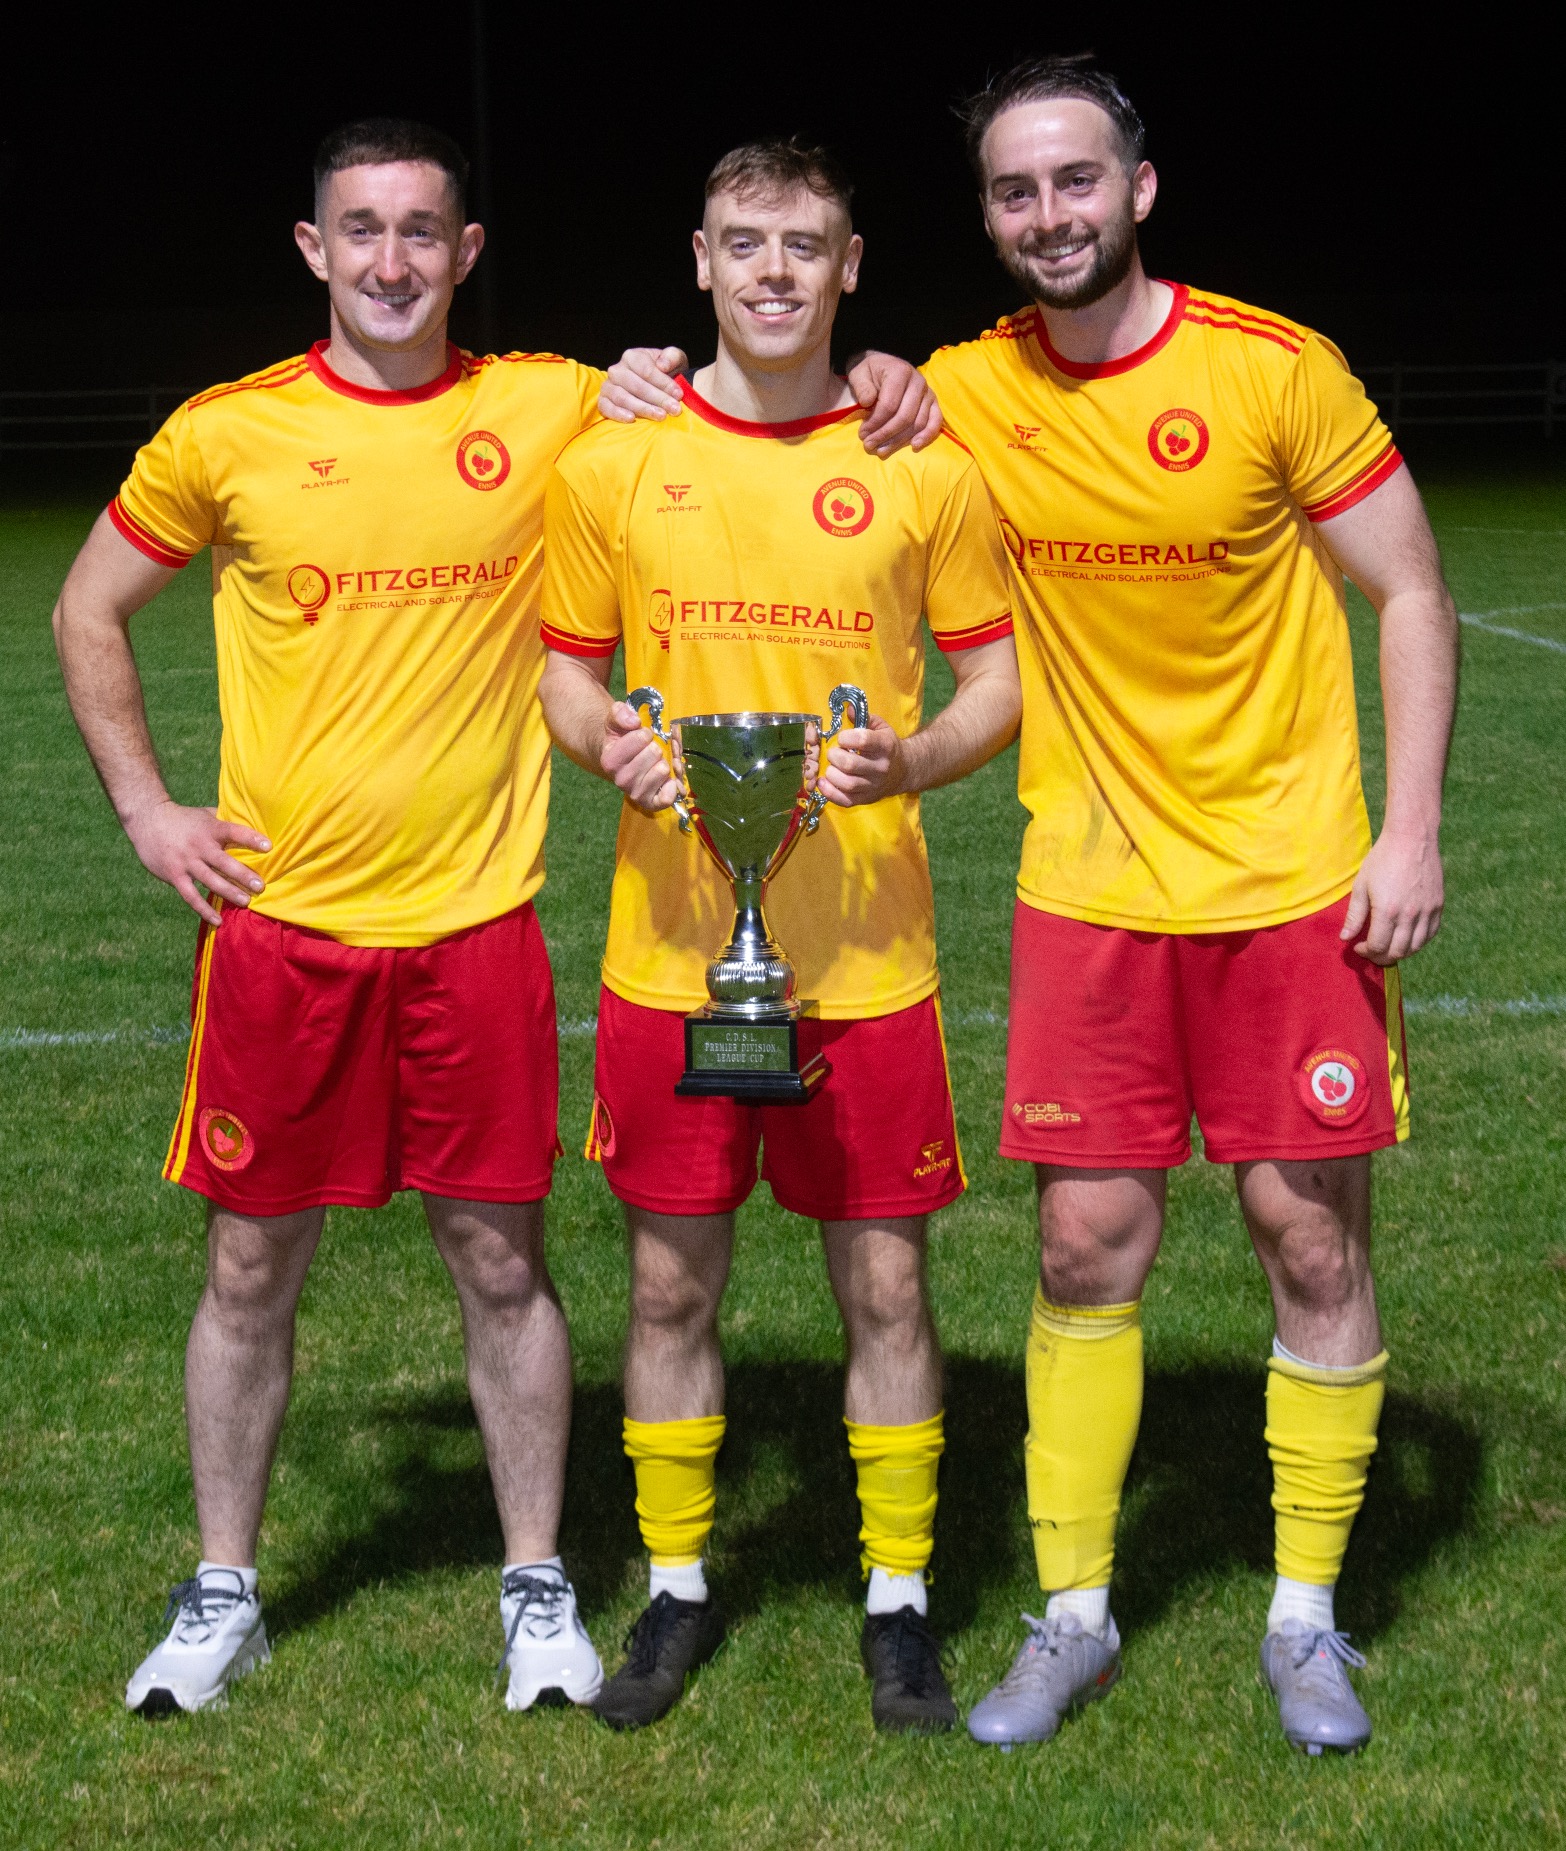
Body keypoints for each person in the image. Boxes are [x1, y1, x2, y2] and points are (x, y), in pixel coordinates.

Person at [603, 56, 1460, 1756]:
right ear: (987, 216)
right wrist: (645, 373)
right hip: (1087, 887)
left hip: (1290, 877)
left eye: (1074, 180)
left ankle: (1303, 1620)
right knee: (1080, 1247)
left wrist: (1411, 832)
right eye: (1013, 191)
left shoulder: (1272, 368)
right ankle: (1073, 1617)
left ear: (1136, 188)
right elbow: (793, 403)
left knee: (1305, 1233)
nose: (1047, 214)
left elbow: (1413, 590)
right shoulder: (957, 395)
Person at [51, 113, 943, 1720]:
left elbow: (738, 383)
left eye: (422, 231)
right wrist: (146, 809)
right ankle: (224, 1587)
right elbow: (88, 605)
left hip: (478, 925)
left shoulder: (551, 406)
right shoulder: (224, 433)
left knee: (500, 1262)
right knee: (248, 1269)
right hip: (284, 928)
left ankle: (537, 1582)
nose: (391, 260)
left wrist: (886, 378)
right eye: (360, 228)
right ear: (314, 248)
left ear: (465, 254)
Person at [538, 137, 1021, 1734]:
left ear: (849, 267)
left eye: (802, 246)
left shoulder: (923, 460)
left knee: (884, 1290)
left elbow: (996, 682)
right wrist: (609, 741)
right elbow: (562, 672)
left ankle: (898, 1599)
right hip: (671, 956)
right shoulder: (613, 459)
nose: (770, 272)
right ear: (698, 259)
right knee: (669, 1290)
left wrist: (916, 758)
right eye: (742, 242)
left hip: (866, 963)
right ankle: (677, 1585)